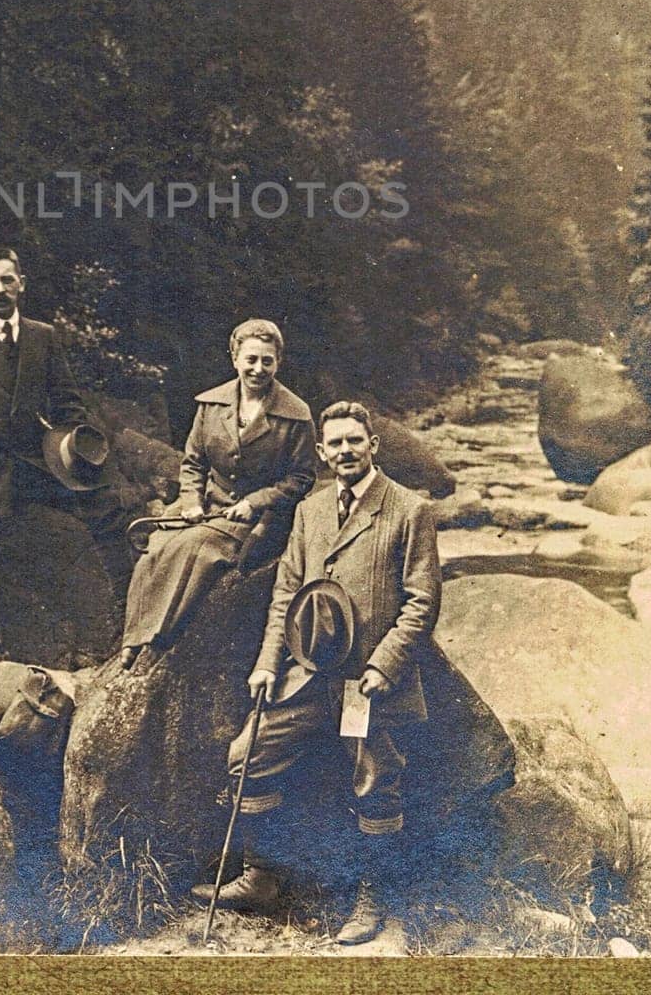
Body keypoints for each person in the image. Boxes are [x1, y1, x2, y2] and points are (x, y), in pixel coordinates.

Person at [192, 399, 442, 946]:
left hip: (364, 684)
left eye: (356, 440)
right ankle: (262, 876)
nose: (346, 451)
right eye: (336, 444)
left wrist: (385, 665)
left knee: (374, 778)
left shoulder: (409, 510)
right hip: (305, 676)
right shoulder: (310, 510)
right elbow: (286, 593)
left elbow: (421, 602)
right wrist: (266, 665)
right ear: (323, 452)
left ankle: (375, 899)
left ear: (373, 445)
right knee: (246, 755)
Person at [0, 247, 135, 696]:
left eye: (7, 280)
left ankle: (131, 632)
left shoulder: (42, 337)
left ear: (21, 284)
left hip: (38, 463)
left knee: (108, 511)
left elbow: (67, 398)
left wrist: (74, 445)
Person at [118, 318, 315, 669]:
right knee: (155, 545)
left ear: (278, 362)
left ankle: (159, 637)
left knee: (193, 547)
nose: (258, 369)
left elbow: (302, 478)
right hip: (209, 506)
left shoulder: (296, 415)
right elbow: (193, 463)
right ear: (235, 358)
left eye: (266, 361)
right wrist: (192, 501)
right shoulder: (211, 404)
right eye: (250, 359)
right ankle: (133, 638)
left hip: (259, 520)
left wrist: (255, 502)